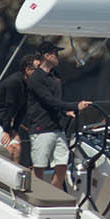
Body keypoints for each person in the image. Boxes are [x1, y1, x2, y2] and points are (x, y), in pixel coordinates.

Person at [23, 43, 92, 189]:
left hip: (57, 127)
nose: (58, 56)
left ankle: (53, 191)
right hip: (41, 128)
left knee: (62, 163)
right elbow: (49, 100)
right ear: (47, 56)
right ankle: (36, 195)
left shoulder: (55, 76)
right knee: (39, 166)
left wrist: (65, 111)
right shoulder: (35, 78)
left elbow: (56, 102)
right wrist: (75, 106)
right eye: (56, 54)